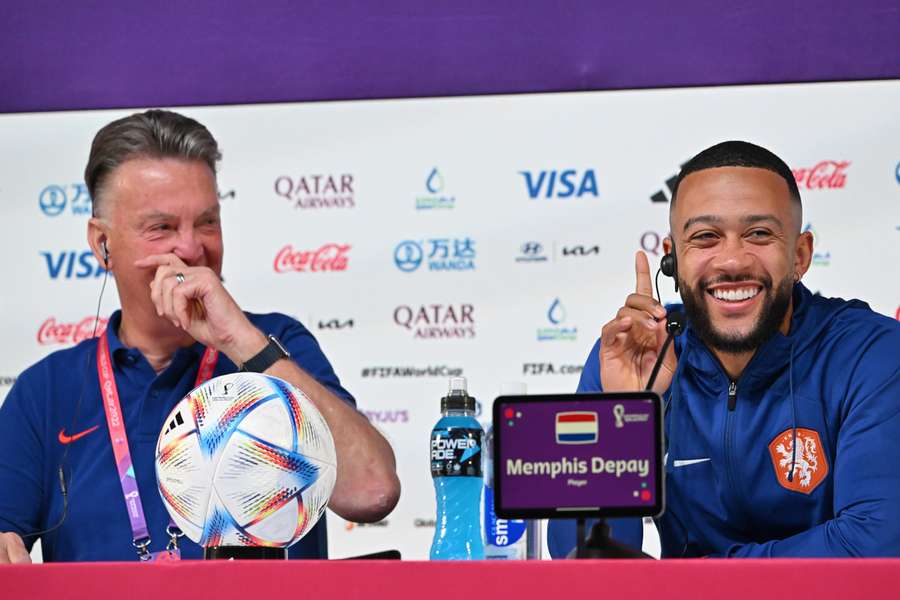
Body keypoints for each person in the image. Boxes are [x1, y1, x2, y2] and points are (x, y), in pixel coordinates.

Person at [0, 110, 400, 563]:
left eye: (207, 222)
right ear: (102, 245)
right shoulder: (46, 390)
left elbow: (372, 490)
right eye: (162, 228)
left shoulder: (277, 343)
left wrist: (241, 342)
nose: (191, 249)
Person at [549, 141, 900, 557]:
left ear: (800, 256)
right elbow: (582, 556)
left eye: (758, 234)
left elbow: (873, 544)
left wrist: (691, 580)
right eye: (705, 237)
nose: (732, 260)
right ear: (673, 259)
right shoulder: (637, 351)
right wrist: (625, 414)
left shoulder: (872, 353)